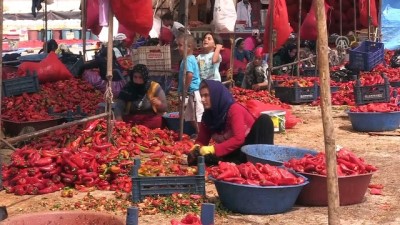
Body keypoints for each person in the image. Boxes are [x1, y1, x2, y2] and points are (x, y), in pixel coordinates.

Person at [187, 80, 274, 166]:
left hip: (249, 148)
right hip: (231, 152)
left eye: (206, 95)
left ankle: (261, 162)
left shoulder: (234, 109)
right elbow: (202, 139)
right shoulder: (207, 116)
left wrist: (213, 149)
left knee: (265, 120)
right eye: (201, 96)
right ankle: (233, 163)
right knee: (197, 158)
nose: (202, 100)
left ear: (216, 96)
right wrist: (197, 147)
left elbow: (239, 139)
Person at [114, 64, 167, 129]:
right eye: (135, 77)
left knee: (158, 120)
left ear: (145, 77)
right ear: (132, 76)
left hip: (149, 119)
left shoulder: (154, 87)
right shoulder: (128, 88)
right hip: (132, 120)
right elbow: (119, 106)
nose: (137, 80)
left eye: (140, 77)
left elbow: (164, 108)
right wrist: (119, 120)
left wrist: (159, 104)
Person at [176, 33, 204, 135]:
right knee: (190, 116)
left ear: (189, 47)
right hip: (189, 91)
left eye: (180, 45)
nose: (178, 48)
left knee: (196, 115)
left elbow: (189, 75)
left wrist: (185, 89)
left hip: (192, 91)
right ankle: (198, 133)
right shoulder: (187, 59)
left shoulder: (188, 59)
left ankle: (201, 134)